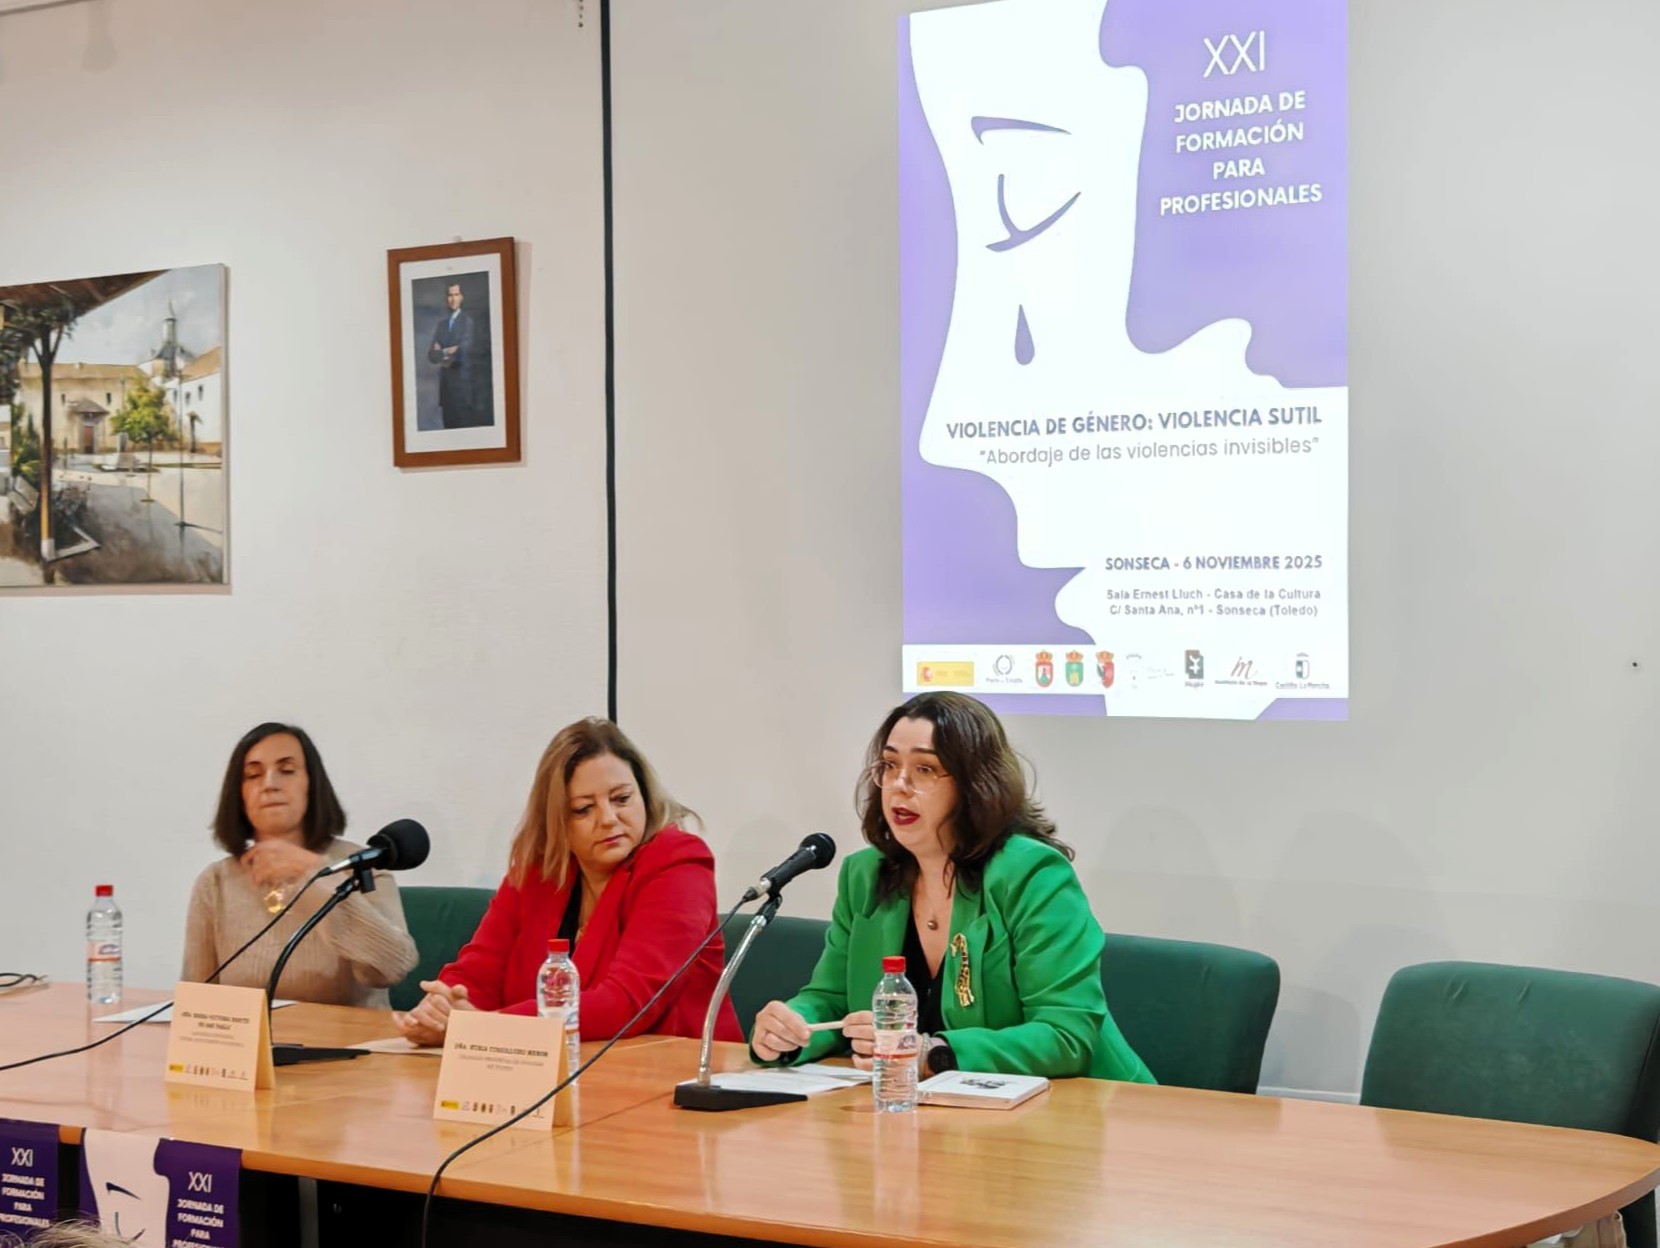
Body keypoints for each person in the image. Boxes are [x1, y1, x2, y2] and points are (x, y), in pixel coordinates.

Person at [751, 691, 1154, 1082]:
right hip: (934, 1112)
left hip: (1090, 1110)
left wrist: (933, 1054)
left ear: (974, 783)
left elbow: (1066, 1035)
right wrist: (790, 1030)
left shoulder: (1033, 874)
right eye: (889, 765)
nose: (899, 784)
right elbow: (833, 1000)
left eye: (925, 769)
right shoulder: (865, 875)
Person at [398, 718, 740, 1045]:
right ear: (556, 820)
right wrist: (442, 1010)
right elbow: (479, 971)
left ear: (645, 797)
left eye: (622, 799)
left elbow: (628, 1002)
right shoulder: (538, 873)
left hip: (671, 1071)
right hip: (545, 1067)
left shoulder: (678, 862)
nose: (608, 819)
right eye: (583, 809)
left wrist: (486, 1027)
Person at [180, 723, 418, 1007]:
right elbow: (196, 1003)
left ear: (312, 785)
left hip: (344, 1035)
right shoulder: (215, 882)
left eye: (287, 770)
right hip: (250, 1037)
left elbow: (391, 967)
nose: (269, 784)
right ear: (239, 795)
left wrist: (313, 875)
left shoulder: (363, 866)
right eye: (253, 775)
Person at [426, 280, 486, 428]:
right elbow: (432, 356)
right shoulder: (441, 325)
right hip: (446, 390)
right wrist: (448, 351)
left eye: (456, 295)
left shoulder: (467, 322)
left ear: (462, 297)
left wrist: (442, 351)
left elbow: (463, 351)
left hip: (462, 388)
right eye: (450, 295)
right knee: (448, 427)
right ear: (446, 298)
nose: (453, 299)